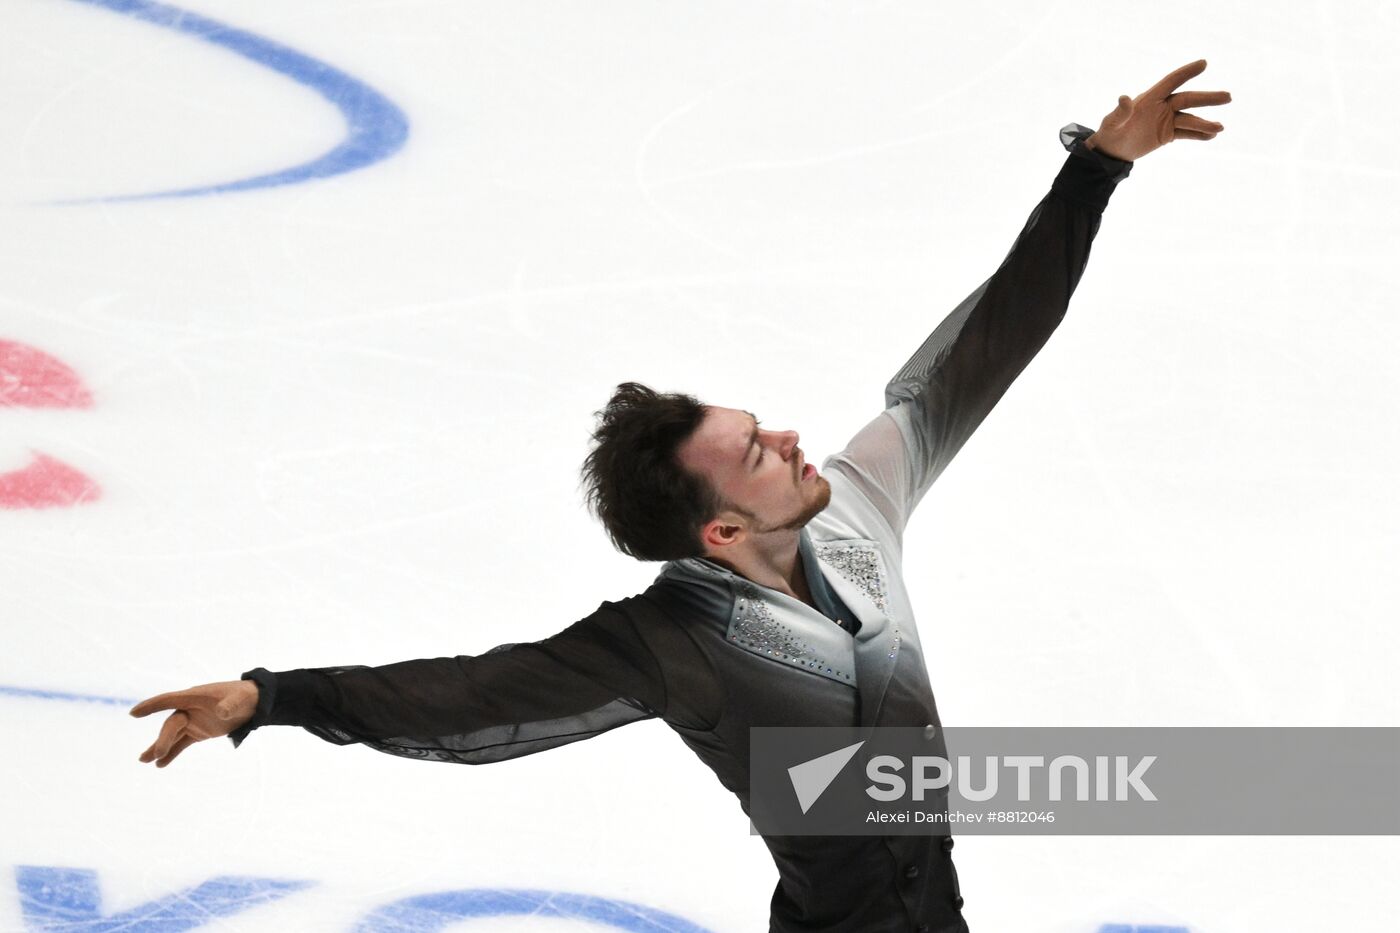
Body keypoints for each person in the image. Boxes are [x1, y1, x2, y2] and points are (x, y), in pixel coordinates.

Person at [131, 60, 1231, 933]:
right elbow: (465, 697)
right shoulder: (668, 645)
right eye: (756, 450)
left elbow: (985, 348)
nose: (793, 439)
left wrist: (1092, 170)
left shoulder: (852, 501)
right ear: (719, 531)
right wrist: (270, 698)